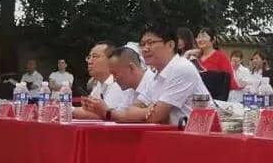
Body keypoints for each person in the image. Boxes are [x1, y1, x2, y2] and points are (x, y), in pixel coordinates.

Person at [81, 24, 210, 125]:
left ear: (170, 45)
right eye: (142, 44)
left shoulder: (181, 68)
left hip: (196, 138)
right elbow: (131, 110)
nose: (145, 49)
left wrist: (151, 112)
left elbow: (155, 117)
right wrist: (149, 110)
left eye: (150, 43)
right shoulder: (156, 76)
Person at [75, 42, 130, 119]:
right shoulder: (99, 84)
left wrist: (66, 110)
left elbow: (104, 114)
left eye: (94, 56)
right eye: (89, 57)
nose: (89, 62)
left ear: (110, 60)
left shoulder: (118, 83)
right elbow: (89, 111)